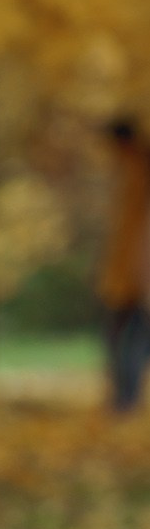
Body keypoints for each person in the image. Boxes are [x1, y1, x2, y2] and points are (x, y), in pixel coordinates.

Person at [99, 118, 150, 413]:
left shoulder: (139, 175)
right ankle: (122, 400)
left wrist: (143, 277)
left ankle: (125, 402)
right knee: (122, 340)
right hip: (121, 276)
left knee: (130, 342)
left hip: (135, 276)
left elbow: (142, 232)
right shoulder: (128, 174)